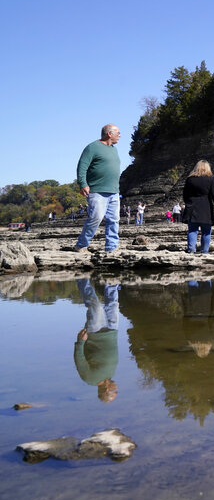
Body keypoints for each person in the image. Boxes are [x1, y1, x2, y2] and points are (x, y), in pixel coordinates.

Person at [71, 124, 122, 253]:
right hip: (97, 190)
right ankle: (81, 245)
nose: (120, 136)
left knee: (114, 220)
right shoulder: (92, 147)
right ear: (109, 134)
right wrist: (83, 183)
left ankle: (111, 247)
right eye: (118, 133)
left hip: (114, 191)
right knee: (96, 218)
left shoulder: (114, 149)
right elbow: (82, 166)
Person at [74, 278, 120, 403]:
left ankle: (81, 276)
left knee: (95, 305)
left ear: (106, 390)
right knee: (113, 303)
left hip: (95, 332)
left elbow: (79, 360)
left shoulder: (89, 379)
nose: (117, 388)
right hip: (112, 330)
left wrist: (80, 342)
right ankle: (112, 278)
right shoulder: (110, 375)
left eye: (115, 391)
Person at [181, 159, 214, 254]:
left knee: (192, 231)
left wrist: (188, 203)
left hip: (192, 208)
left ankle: (191, 250)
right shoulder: (210, 179)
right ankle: (205, 252)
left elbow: (185, 195)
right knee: (206, 232)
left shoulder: (190, 179)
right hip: (206, 209)